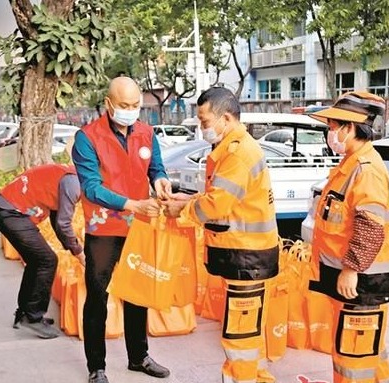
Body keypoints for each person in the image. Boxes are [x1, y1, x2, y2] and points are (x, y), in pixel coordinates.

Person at [162, 87, 279, 383]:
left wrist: (181, 212)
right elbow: (222, 197)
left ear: (225, 118)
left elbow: (217, 204)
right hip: (247, 256)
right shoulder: (231, 148)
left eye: (204, 122)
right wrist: (186, 201)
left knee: (240, 336)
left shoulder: (239, 153)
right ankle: (256, 377)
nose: (202, 129)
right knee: (250, 331)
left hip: (247, 258)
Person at [72, 76, 172, 383]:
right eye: (124, 105)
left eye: (135, 105)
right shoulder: (87, 138)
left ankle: (138, 357)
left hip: (138, 227)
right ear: (108, 104)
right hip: (104, 229)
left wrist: (160, 181)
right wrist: (133, 205)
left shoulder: (146, 132)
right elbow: (91, 188)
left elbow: (156, 167)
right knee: (98, 297)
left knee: (137, 293)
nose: (130, 111)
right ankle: (96, 367)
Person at [309, 91, 389, 383]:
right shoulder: (352, 163)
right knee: (367, 354)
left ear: (349, 128)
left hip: (362, 282)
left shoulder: (366, 169)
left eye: (333, 127)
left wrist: (350, 269)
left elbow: (370, 226)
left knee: (353, 359)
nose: (330, 133)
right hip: (356, 280)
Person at [0, 164, 84, 339]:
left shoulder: (72, 177)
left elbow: (58, 222)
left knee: (37, 261)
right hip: (11, 213)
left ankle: (25, 313)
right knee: (46, 260)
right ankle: (32, 318)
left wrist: (73, 249)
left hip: (8, 210)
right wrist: (80, 254)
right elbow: (63, 225)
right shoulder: (74, 183)